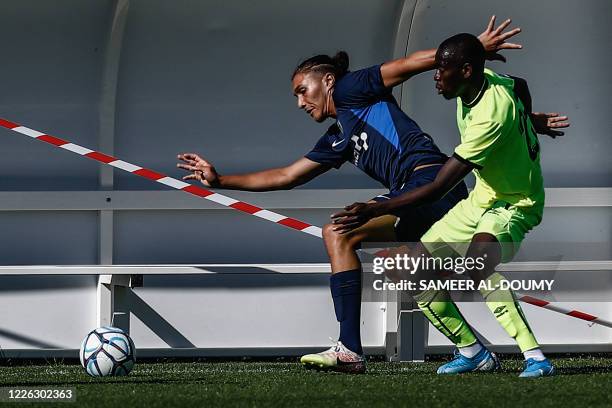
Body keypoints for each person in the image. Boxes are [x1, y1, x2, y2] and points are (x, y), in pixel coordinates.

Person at [177, 17, 528, 374]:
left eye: (302, 89)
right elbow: (286, 176)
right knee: (406, 268)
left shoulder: (351, 89)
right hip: (416, 196)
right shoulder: (337, 138)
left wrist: (469, 50)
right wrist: (220, 180)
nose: (300, 102)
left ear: (328, 80)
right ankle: (474, 352)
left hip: (431, 184)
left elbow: (406, 65)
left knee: (340, 233)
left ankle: (350, 349)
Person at [331, 31, 569, 377]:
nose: (436, 76)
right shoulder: (487, 81)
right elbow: (520, 84)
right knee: (408, 272)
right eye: (436, 68)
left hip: (516, 204)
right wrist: (528, 122)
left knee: (478, 265)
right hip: (481, 199)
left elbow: (438, 187)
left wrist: (376, 208)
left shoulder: (490, 118)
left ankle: (535, 358)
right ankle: (473, 353)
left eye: (444, 70)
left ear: (467, 71)